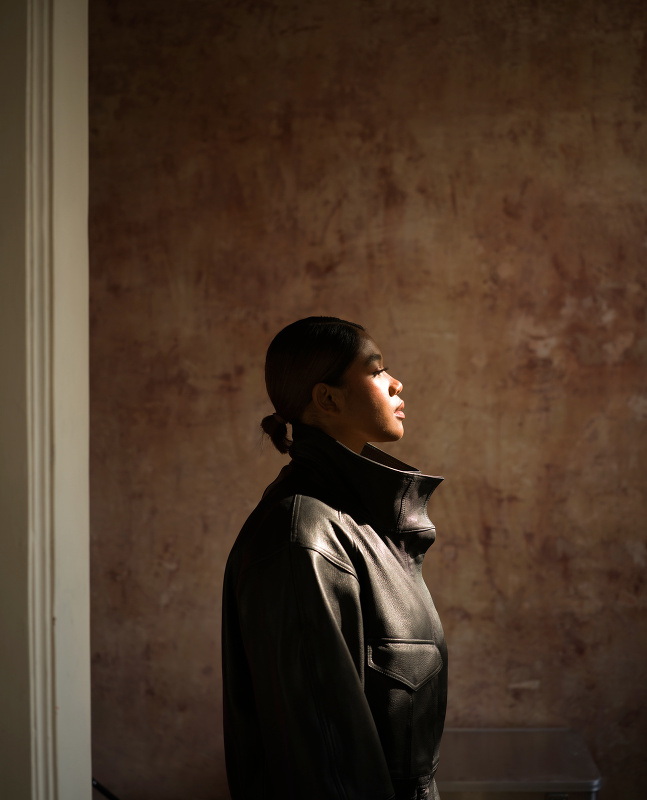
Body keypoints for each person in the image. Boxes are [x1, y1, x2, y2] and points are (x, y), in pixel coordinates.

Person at [222, 316, 447, 800]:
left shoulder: (357, 522)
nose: (396, 383)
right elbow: (326, 766)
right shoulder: (302, 538)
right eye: (376, 370)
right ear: (327, 398)